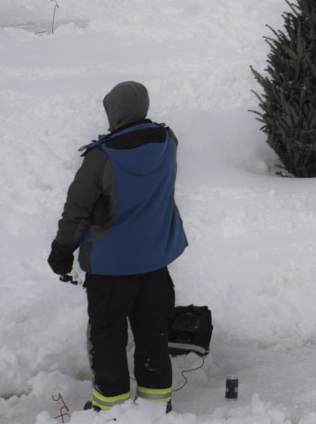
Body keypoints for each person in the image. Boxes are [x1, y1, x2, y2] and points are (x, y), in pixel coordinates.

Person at [49, 81, 187, 414]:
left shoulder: (101, 156)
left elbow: (77, 208)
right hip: (154, 260)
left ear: (114, 112)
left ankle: (110, 407)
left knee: (108, 334)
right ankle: (156, 404)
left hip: (111, 268)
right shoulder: (168, 142)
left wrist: (62, 250)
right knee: (153, 330)